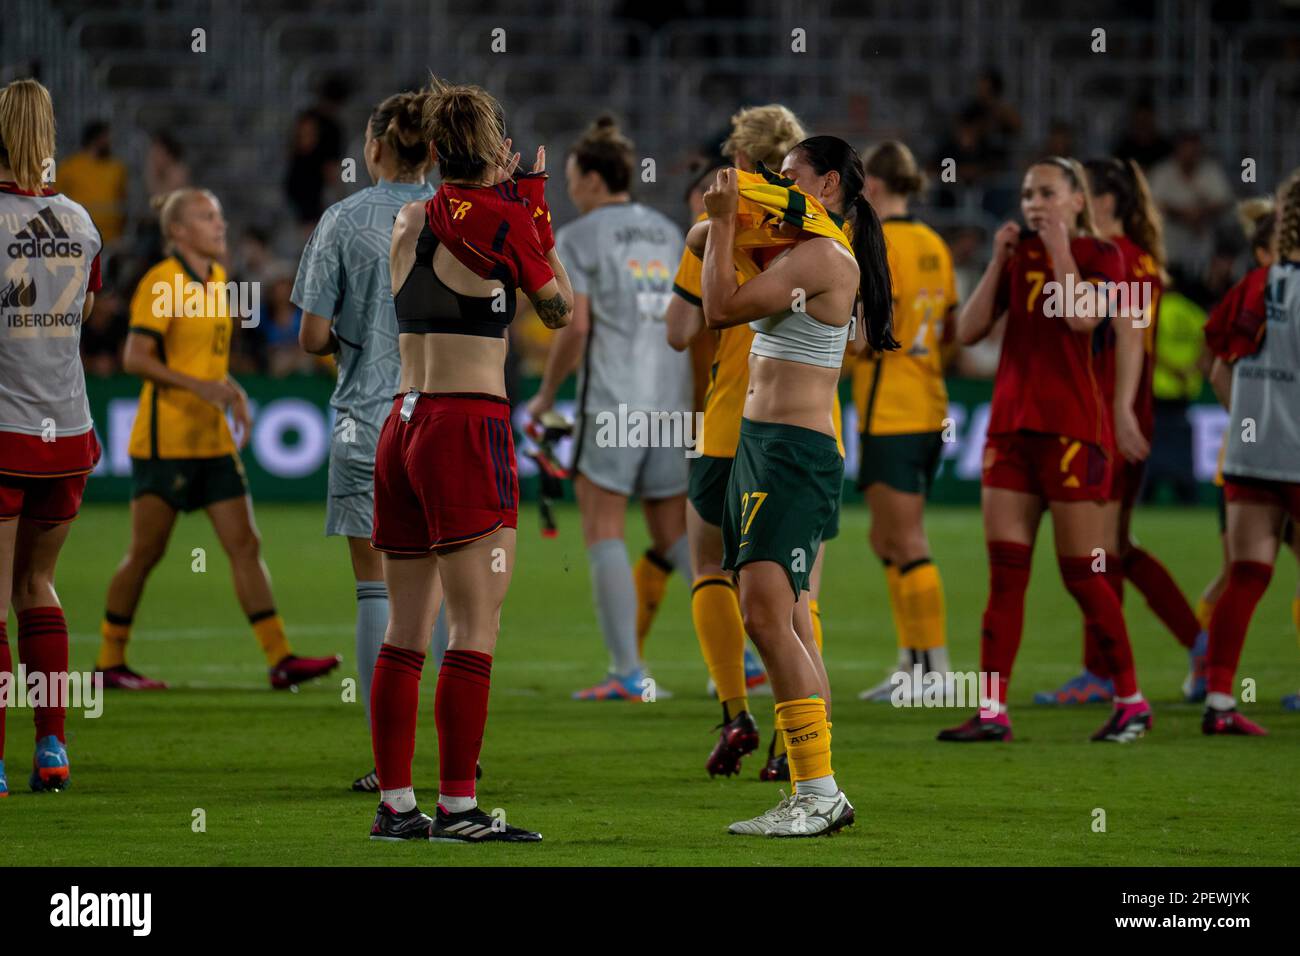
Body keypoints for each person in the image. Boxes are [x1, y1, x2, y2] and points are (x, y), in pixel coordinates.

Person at [369, 79, 572, 842]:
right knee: (475, 627)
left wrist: (509, 203)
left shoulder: (408, 217)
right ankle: (458, 807)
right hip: (465, 423)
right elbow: (560, 308)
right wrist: (531, 206)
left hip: (403, 420)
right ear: (493, 148)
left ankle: (396, 806)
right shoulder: (500, 217)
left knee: (403, 630)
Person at [694, 135, 896, 836]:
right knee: (788, 618)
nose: (777, 186)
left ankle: (818, 792)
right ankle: (816, 788)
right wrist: (733, 209)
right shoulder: (800, 244)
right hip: (764, 446)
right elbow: (697, 240)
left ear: (830, 184)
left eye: (791, 178)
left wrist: (727, 219)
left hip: (792, 453)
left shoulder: (821, 255)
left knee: (765, 616)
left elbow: (717, 307)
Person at [939, 157, 1151, 743]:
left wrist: (1060, 250)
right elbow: (969, 331)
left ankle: (1131, 700)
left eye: (1048, 193)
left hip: (1073, 431)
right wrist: (998, 258)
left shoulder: (1105, 258)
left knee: (1084, 574)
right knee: (1005, 577)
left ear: (1077, 200)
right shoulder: (1017, 254)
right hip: (1009, 431)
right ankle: (991, 712)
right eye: (1029, 193)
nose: (1034, 204)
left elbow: (1081, 318)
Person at [95, 188, 341, 690]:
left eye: (220, 215)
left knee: (245, 544)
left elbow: (202, 361)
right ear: (178, 231)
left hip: (213, 442)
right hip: (168, 443)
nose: (219, 224)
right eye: (207, 217)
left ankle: (280, 659)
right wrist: (201, 387)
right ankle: (108, 662)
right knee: (145, 553)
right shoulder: (162, 282)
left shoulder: (218, 280)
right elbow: (135, 358)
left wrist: (232, 391)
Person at [293, 89, 451, 793]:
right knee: (444, 589)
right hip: (447, 415)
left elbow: (311, 335)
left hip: (368, 417)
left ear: (377, 149)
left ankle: (391, 761)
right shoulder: (458, 216)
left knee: (375, 589)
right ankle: (457, 754)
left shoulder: (343, 219)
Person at [665, 104, 810, 780]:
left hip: (728, 421)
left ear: (739, 158)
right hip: (804, 427)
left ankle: (735, 712)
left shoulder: (722, 221)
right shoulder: (823, 222)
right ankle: (797, 741)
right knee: (798, 588)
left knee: (710, 567)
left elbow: (678, 330)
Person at [526, 116, 692, 701]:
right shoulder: (668, 232)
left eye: (573, 178)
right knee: (676, 532)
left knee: (603, 527)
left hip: (615, 401)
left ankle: (627, 673)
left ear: (594, 179)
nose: (570, 190)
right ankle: (747, 653)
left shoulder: (579, 237)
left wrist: (546, 397)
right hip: (671, 402)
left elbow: (575, 327)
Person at [1036, 157, 1206, 705]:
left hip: (1112, 416)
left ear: (1103, 202)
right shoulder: (1131, 259)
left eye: (1080, 192)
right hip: (1113, 412)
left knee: (1099, 550)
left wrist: (1121, 411)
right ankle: (1199, 647)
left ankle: (1103, 672)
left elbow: (1128, 337)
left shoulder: (1124, 260)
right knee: (1116, 547)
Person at [0, 79, 103, 796]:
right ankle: (52, 747)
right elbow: (86, 308)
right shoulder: (81, 219)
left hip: (4, 430)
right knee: (37, 586)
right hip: (66, 431)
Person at [853, 140, 958, 703]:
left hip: (891, 409)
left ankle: (934, 670)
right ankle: (911, 664)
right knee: (886, 536)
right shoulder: (934, 245)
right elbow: (951, 327)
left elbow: (868, 332)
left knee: (906, 538)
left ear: (872, 186)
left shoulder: (876, 242)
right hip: (928, 403)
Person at [1201, 169, 1300, 735]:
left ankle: (1218, 703)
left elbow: (1218, 369)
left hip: (1250, 454)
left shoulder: (1256, 285)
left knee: (1246, 576)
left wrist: (1248, 416)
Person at [56, 120, 128, 246]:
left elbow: (122, 199)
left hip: (112, 238)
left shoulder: (117, 167)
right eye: (106, 137)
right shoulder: (70, 166)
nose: (109, 142)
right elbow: (55, 200)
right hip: (79, 237)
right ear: (95, 139)